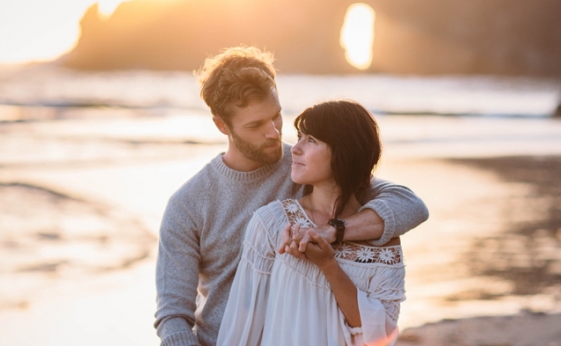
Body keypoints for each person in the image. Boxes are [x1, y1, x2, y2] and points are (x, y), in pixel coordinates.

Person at [154, 46, 428, 346]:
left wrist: (333, 231)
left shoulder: (307, 167)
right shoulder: (188, 205)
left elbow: (409, 205)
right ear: (222, 125)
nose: (274, 133)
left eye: (277, 116)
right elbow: (173, 316)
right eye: (256, 125)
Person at [217, 100, 414, 346]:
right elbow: (244, 324)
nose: (295, 149)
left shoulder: (382, 236)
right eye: (299, 137)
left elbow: (380, 335)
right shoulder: (273, 223)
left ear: (345, 151)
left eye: (311, 140)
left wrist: (329, 266)